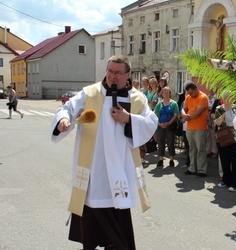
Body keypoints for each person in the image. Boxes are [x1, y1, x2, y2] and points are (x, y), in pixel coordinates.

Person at [51, 55, 158, 250]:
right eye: (110, 71)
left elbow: (151, 124)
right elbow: (68, 108)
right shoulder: (91, 94)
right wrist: (63, 120)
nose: (112, 76)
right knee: (92, 216)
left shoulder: (137, 99)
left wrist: (129, 118)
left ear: (127, 74)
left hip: (120, 171)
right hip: (94, 171)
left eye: (118, 72)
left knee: (119, 223)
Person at [214, 91, 236, 192]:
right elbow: (217, 122)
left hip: (235, 138)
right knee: (224, 161)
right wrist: (225, 114)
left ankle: (235, 184)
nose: (229, 99)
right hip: (223, 138)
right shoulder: (219, 109)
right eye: (227, 97)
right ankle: (226, 181)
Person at [181, 81, 209, 177]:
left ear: (196, 89)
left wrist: (187, 117)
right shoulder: (188, 97)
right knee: (192, 149)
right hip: (189, 127)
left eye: (192, 92)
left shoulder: (203, 97)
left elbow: (198, 112)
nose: (190, 95)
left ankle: (202, 170)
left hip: (200, 127)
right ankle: (192, 168)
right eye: (189, 93)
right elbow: (184, 108)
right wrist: (184, 114)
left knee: (200, 149)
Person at [154, 86, 179, 168]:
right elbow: (155, 115)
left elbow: (175, 115)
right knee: (160, 142)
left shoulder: (174, 103)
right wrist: (159, 124)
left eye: (167, 92)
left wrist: (169, 123)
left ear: (170, 93)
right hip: (161, 126)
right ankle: (160, 159)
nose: (166, 94)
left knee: (170, 142)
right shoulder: (159, 104)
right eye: (164, 92)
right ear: (162, 93)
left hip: (170, 126)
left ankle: (171, 159)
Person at [206, 90, 219, 158]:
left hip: (213, 117)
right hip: (207, 117)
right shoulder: (207, 97)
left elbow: (215, 108)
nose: (211, 90)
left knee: (213, 134)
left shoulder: (217, 98)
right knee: (208, 135)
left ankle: (215, 152)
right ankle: (208, 150)